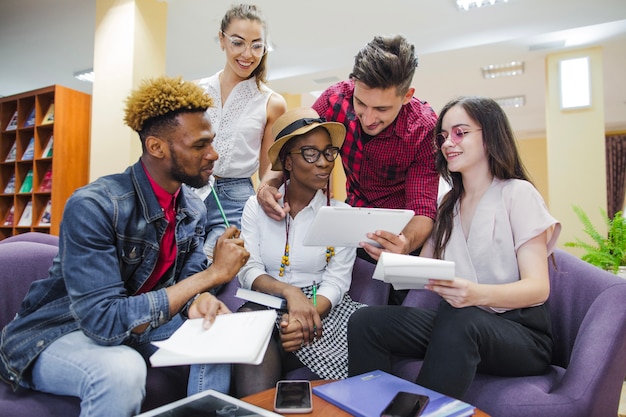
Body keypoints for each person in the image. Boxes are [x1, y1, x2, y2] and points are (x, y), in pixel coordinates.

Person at [0, 76, 250, 417]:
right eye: (199, 145)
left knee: (218, 332)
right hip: (60, 332)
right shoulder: (94, 205)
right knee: (122, 370)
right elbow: (103, 322)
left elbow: (185, 281)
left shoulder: (191, 208)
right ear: (156, 147)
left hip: (136, 322)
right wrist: (211, 277)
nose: (213, 154)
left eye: (212, 142)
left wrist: (200, 299)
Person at [347, 96, 561, 400]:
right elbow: (423, 275)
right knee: (365, 321)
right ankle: (370, 405)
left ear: (490, 135)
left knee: (462, 318)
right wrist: (393, 256)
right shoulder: (448, 205)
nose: (448, 143)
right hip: (459, 323)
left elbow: (538, 288)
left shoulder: (518, 194)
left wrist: (475, 294)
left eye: (460, 133)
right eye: (443, 136)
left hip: (521, 335)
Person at [257, 35, 439, 264]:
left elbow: (423, 209)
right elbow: (291, 148)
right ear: (354, 83)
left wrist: (405, 242)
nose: (369, 118)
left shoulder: (424, 128)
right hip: (351, 226)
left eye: (381, 109)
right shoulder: (335, 100)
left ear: (407, 96)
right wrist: (267, 186)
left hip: (401, 234)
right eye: (361, 103)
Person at [234, 108, 363, 397]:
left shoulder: (342, 215)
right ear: (288, 162)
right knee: (253, 323)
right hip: (264, 302)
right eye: (310, 153)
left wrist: (303, 315)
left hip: (322, 309)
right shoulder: (256, 208)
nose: (325, 163)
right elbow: (248, 269)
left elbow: (337, 283)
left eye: (329, 152)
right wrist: (290, 294)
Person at [195, 3, 286, 260]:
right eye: (238, 43)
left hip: (235, 199)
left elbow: (270, 166)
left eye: (257, 45)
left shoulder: (271, 102)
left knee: (209, 263)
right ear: (222, 39)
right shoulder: (195, 92)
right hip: (189, 192)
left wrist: (266, 189)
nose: (248, 54)